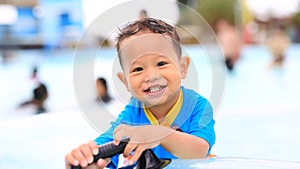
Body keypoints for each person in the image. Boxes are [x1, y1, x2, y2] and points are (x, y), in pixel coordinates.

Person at [65, 18, 215, 168]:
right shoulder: (132, 114)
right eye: (138, 69)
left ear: (182, 68)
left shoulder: (197, 106)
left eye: (161, 63)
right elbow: (105, 147)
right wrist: (86, 159)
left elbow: (200, 150)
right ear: (125, 82)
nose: (151, 76)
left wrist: (157, 134)